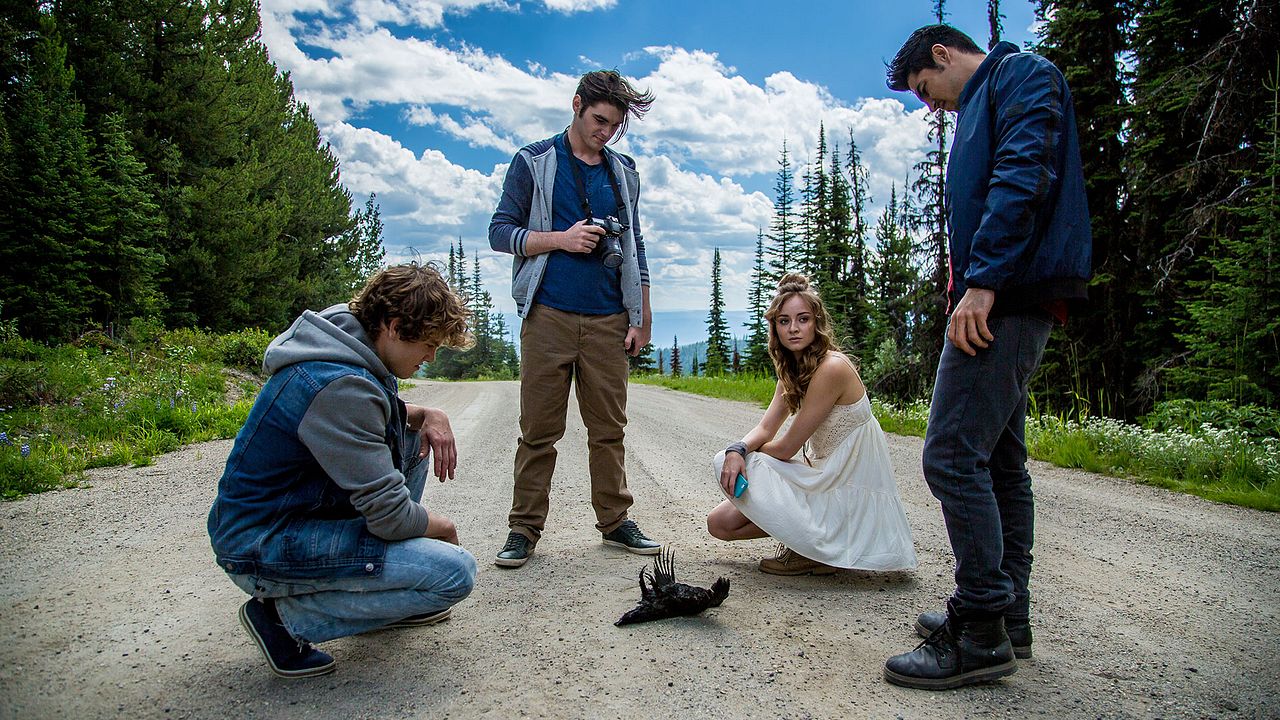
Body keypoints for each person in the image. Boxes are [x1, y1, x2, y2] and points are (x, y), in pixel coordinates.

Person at [881, 25, 1092, 690]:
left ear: (942, 55)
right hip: (1004, 294)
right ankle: (1009, 619)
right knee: (999, 461)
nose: (930, 105)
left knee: (949, 455)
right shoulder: (982, 101)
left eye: (925, 89)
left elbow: (1023, 178)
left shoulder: (1020, 77)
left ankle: (978, 630)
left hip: (1008, 297)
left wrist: (984, 283)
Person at [207, 263, 479, 678]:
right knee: (453, 573)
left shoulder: (345, 349)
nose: (430, 357)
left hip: (287, 522)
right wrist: (442, 530)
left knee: (409, 436)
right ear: (393, 325)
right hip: (262, 546)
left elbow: (379, 419)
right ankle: (282, 621)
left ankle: (377, 595)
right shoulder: (339, 385)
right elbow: (392, 517)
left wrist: (429, 413)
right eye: (428, 344)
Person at [487, 70, 660, 568]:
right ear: (577, 105)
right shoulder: (533, 162)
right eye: (599, 120)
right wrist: (561, 239)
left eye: (615, 125)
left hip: (609, 318)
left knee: (609, 429)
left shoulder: (623, 171)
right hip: (549, 313)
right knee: (539, 430)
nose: (605, 132)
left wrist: (641, 316)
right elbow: (500, 232)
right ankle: (523, 529)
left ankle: (615, 522)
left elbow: (635, 246)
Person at [707, 274, 917, 575]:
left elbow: (786, 447)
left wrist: (746, 456)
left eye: (802, 319)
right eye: (784, 321)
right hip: (821, 480)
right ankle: (813, 543)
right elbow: (766, 429)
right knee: (720, 524)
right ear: (775, 327)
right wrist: (737, 449)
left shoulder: (832, 368)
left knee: (727, 463)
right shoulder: (792, 370)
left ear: (816, 322)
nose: (793, 328)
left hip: (842, 486)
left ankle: (814, 549)